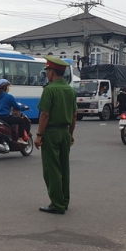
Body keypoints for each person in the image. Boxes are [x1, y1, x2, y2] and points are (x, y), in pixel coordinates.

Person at [34, 56, 77, 215]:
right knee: (64, 167)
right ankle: (64, 201)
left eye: (47, 71)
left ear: (52, 72)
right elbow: (74, 116)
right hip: (65, 132)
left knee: (52, 168)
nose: (47, 74)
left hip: (51, 133)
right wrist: (70, 134)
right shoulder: (70, 90)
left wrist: (39, 135)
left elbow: (45, 114)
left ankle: (56, 204)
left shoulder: (50, 89)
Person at [0, 79, 27, 145]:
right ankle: (20, 138)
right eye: (8, 86)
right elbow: (17, 107)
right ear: (5, 87)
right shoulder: (9, 97)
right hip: (4, 118)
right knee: (21, 121)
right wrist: (24, 107)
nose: (8, 88)